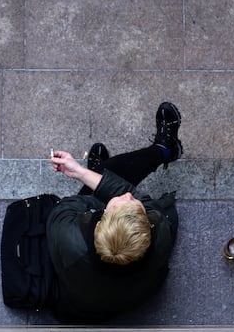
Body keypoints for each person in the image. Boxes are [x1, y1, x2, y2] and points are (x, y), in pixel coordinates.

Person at [46, 102, 182, 323]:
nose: (128, 197)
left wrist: (82, 173)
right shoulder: (160, 234)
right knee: (112, 175)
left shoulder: (67, 236)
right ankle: (164, 149)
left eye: (118, 203)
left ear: (101, 219)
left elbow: (72, 203)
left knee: (108, 176)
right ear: (147, 228)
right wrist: (85, 174)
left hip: (79, 302)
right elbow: (132, 192)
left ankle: (111, 166)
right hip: (131, 297)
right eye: (134, 203)